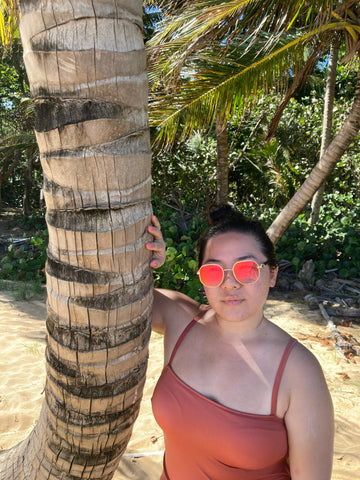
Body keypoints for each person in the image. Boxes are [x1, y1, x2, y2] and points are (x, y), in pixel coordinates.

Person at [146, 205, 334, 480]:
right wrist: (141, 259)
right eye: (214, 271)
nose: (230, 283)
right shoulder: (180, 320)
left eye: (246, 269)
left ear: (272, 274)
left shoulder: (299, 372)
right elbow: (114, 297)